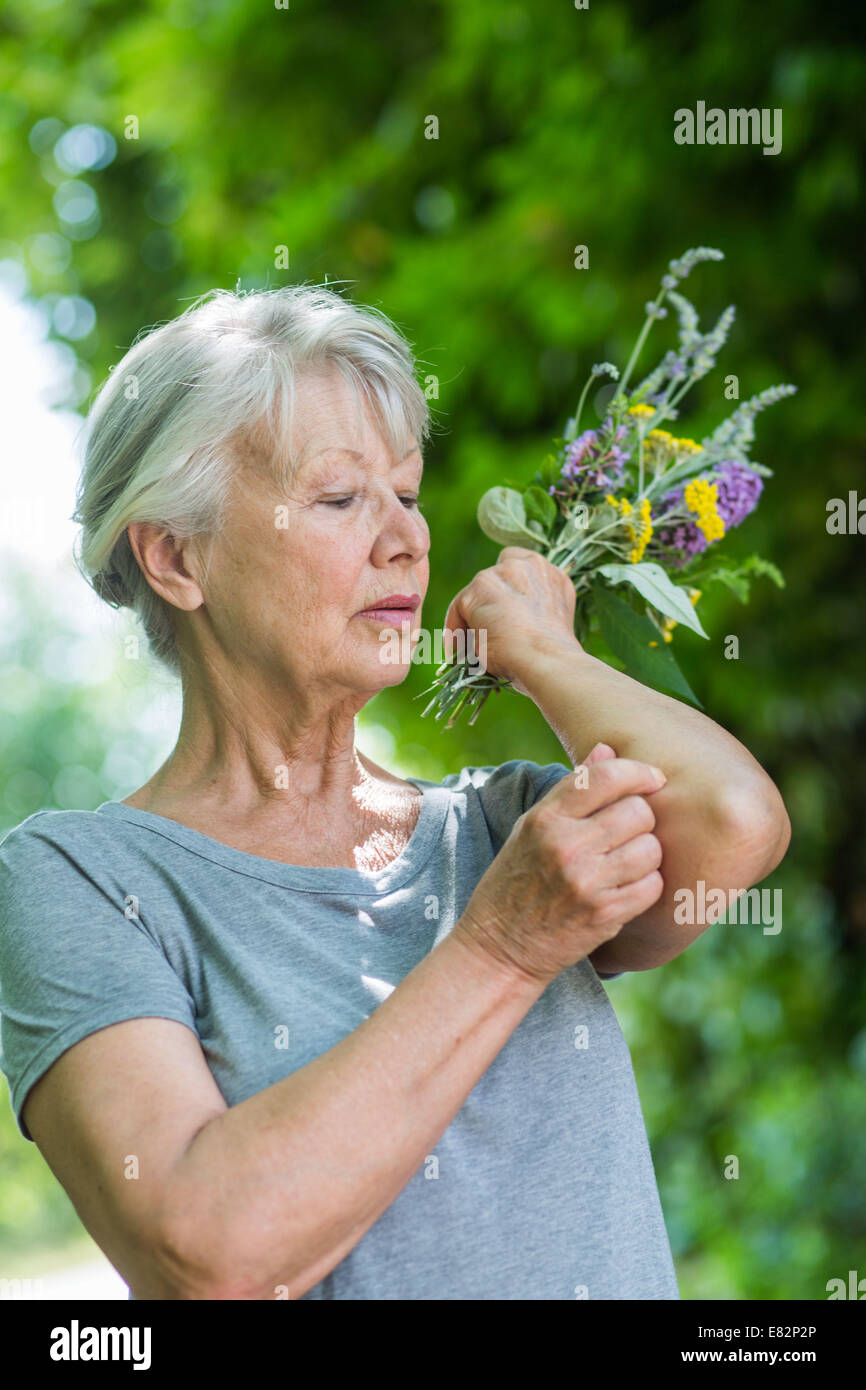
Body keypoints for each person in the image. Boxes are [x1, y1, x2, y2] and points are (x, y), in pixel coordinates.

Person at [0, 285, 790, 1300]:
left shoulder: (499, 827)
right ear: (175, 555)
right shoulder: (77, 883)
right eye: (339, 499)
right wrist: (503, 947)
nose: (407, 540)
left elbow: (734, 818)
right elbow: (203, 1251)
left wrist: (546, 655)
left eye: (406, 494)